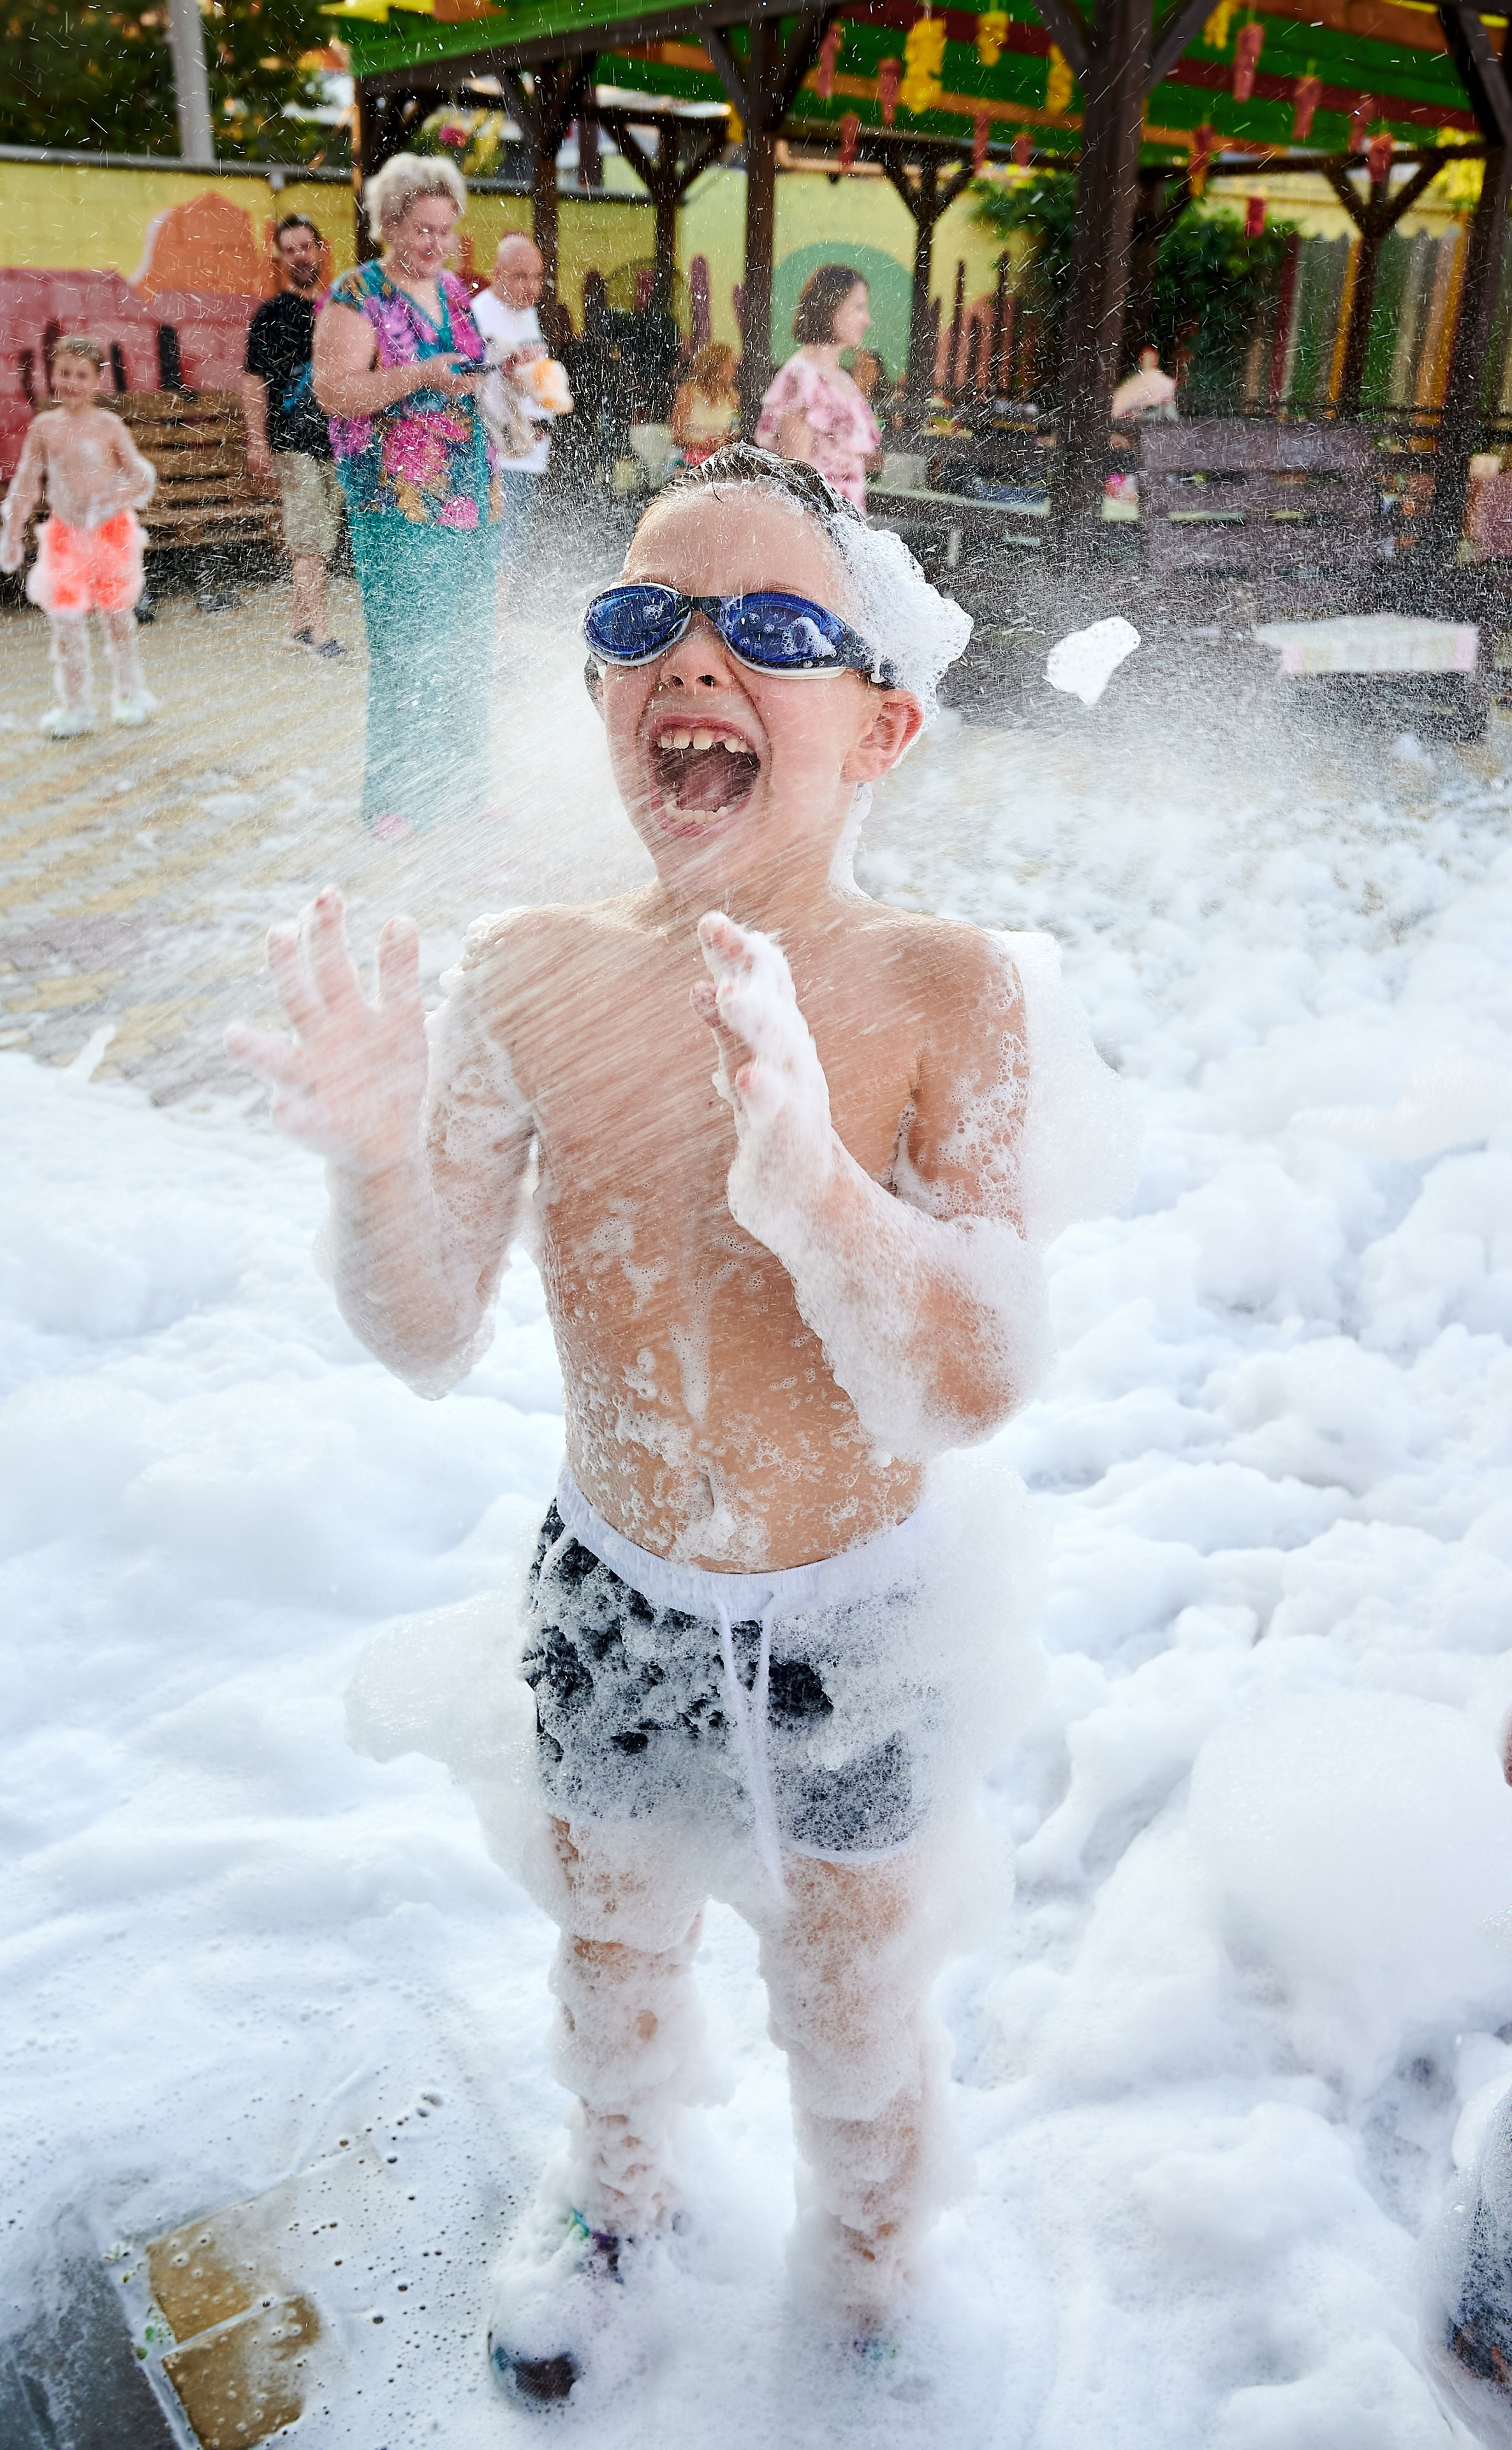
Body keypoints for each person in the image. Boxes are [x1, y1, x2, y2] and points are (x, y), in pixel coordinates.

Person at [228, 443, 1134, 2403]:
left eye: (773, 625)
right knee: (613, 1945)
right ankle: (619, 2199)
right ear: (601, 693)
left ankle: (875, 2264)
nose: (696, 656)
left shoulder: (945, 989)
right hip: (614, 1591)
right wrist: (375, 1167)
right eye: (644, 616)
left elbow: (978, 1376)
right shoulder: (532, 972)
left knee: (856, 1999)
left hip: (859, 1621)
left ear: (879, 726)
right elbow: (425, 1324)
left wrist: (817, 1195)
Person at [312, 153, 495, 837]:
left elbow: (466, 373)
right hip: (397, 503)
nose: (437, 244)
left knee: (470, 651)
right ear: (389, 224)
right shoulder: (356, 294)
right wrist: (421, 374)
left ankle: (465, 790)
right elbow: (335, 392)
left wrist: (495, 376)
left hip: (471, 495)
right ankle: (394, 800)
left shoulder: (453, 292)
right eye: (423, 229)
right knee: (409, 654)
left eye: (446, 230)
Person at [0, 335, 157, 738]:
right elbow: (26, 483)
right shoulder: (45, 427)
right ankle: (76, 706)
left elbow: (139, 476)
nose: (71, 382)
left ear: (97, 380)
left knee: (117, 620)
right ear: (53, 375)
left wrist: (114, 498)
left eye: (81, 376)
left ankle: (129, 694)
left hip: (110, 532)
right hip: (66, 536)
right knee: (66, 624)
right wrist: (12, 532)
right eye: (64, 373)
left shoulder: (108, 426)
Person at [242, 214, 348, 659]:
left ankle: (297, 626)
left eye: (306, 247)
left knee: (320, 538)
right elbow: (253, 382)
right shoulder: (270, 316)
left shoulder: (340, 309)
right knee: (310, 541)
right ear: (280, 258)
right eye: (290, 250)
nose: (299, 256)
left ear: (321, 249)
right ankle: (321, 633)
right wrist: (257, 440)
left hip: (336, 441)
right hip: (291, 441)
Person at [756, 267, 884, 513]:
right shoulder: (802, 378)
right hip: (819, 523)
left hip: (843, 521)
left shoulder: (840, 377)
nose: (867, 320)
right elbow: (795, 481)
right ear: (831, 307)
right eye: (858, 307)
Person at [471, 233, 552, 563]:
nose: (532, 287)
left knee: (516, 554)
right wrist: (501, 369)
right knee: (498, 555)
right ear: (497, 274)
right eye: (521, 277)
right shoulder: (479, 313)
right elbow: (465, 383)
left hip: (530, 452)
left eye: (537, 277)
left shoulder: (527, 313)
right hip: (498, 456)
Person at [670, 342, 739, 467]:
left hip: (718, 460)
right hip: (687, 461)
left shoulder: (732, 396)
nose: (734, 370)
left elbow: (734, 432)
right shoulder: (689, 392)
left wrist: (725, 441)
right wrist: (705, 445)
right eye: (730, 364)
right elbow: (677, 436)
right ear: (717, 366)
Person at [1111, 344, 1178, 424]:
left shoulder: (1158, 380)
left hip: (1151, 420)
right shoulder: (1139, 380)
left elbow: (1119, 403)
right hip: (1145, 420)